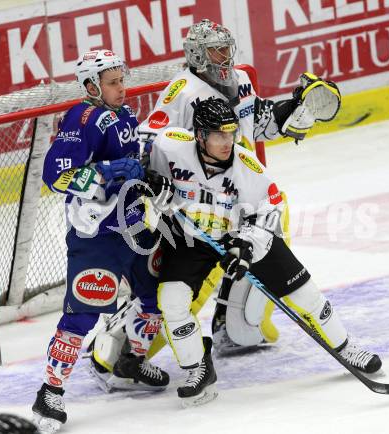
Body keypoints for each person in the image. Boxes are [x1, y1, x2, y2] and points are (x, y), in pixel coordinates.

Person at [90, 17, 342, 379]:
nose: (223, 57)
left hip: (229, 191)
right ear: (197, 54)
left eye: (226, 49)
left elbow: (257, 123)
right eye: (215, 51)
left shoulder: (239, 79)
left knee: (268, 232)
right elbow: (150, 138)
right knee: (184, 291)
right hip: (189, 200)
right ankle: (118, 351)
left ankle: (235, 325)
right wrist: (153, 176)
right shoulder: (182, 90)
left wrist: (293, 108)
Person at [149, 98, 381, 407]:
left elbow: (271, 210)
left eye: (231, 133)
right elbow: (143, 155)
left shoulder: (248, 169)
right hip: (193, 239)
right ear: (200, 136)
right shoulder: (170, 146)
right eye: (219, 135)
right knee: (172, 300)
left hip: (242, 236)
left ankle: (345, 346)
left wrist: (245, 247)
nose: (227, 142)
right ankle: (197, 368)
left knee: (304, 294)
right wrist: (150, 182)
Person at [31, 49, 169, 433]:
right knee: (83, 315)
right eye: (112, 82)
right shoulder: (83, 118)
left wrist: (146, 172)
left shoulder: (122, 114)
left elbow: (133, 158)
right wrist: (107, 172)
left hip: (135, 223)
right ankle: (50, 391)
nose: (121, 88)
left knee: (154, 294)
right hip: (98, 235)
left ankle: (130, 363)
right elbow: (54, 176)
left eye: (121, 80)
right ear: (92, 86)